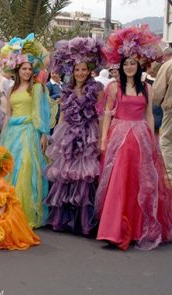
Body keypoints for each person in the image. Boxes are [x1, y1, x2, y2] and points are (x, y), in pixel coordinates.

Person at [97, 26, 172, 250]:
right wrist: (103, 140)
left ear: (139, 66)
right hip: (119, 139)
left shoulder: (146, 88)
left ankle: (139, 229)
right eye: (126, 63)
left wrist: (152, 140)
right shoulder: (113, 87)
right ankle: (113, 229)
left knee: (141, 182)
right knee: (119, 181)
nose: (129, 67)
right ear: (120, 66)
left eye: (133, 63)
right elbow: (107, 115)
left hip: (140, 138)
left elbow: (149, 115)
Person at [45, 37, 104, 235]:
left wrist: (100, 137)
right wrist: (57, 137)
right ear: (72, 71)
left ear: (89, 71)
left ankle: (83, 221)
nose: (80, 73)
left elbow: (101, 113)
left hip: (88, 134)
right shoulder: (66, 90)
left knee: (84, 175)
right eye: (77, 70)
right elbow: (62, 114)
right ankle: (64, 219)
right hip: (69, 134)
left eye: (83, 70)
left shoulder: (96, 90)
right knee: (66, 174)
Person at [0, 34, 51, 228]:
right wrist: (1, 137)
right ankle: (10, 210)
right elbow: (7, 114)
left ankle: (24, 211)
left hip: (29, 132)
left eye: (30, 69)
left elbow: (42, 113)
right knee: (11, 170)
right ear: (17, 70)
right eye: (24, 68)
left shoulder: (37, 89)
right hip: (12, 132)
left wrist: (44, 134)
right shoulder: (12, 89)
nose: (27, 72)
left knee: (26, 169)